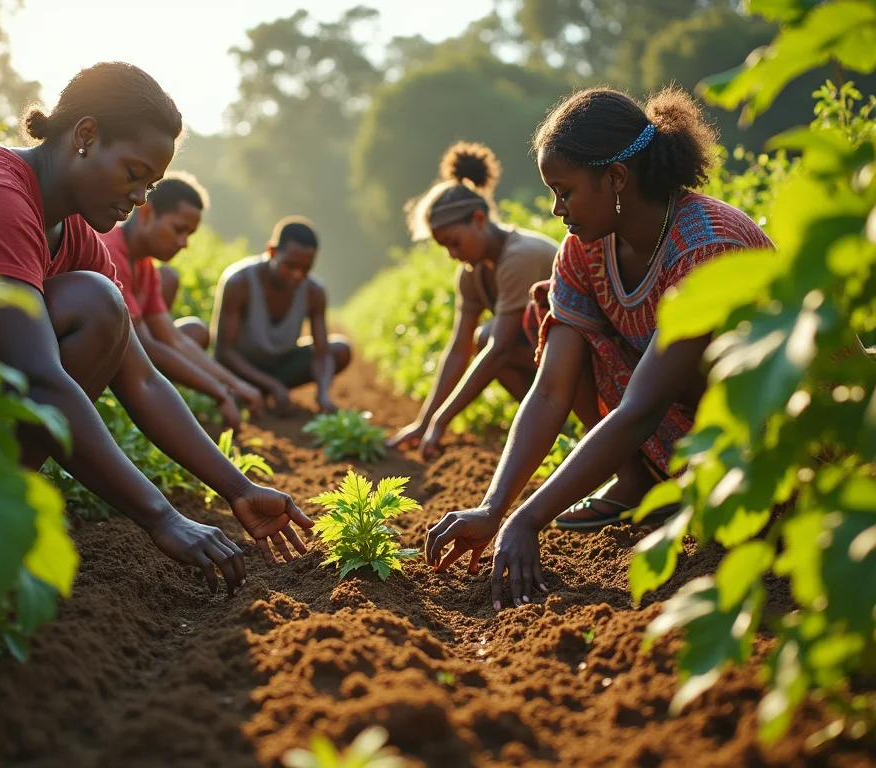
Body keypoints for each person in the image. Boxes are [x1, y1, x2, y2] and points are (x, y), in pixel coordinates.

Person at [0, 62, 312, 596]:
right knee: (94, 302)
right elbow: (39, 377)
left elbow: (142, 379)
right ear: (86, 135)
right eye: (134, 173)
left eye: (151, 184)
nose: (140, 197)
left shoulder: (74, 234)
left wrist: (238, 488)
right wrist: (162, 517)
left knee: (100, 306)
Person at [424, 87, 773, 609]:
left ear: (615, 178)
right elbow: (550, 390)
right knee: (552, 314)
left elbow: (643, 407)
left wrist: (530, 518)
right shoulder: (583, 251)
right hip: (698, 423)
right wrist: (495, 508)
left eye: (564, 192)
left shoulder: (706, 246)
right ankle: (645, 480)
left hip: (782, 435)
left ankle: (744, 495)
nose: (556, 209)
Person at [386, 142, 558, 461]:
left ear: (479, 219)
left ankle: (550, 422)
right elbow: (458, 349)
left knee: (490, 337)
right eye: (445, 248)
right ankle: (553, 426)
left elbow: (500, 348)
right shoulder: (472, 274)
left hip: (586, 354)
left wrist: (442, 421)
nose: (453, 254)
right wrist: (425, 422)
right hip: (548, 356)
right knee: (483, 338)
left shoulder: (519, 256)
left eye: (455, 242)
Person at [99, 173, 264, 430]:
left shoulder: (145, 267)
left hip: (122, 358)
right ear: (147, 213)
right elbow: (147, 346)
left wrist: (235, 384)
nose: (184, 243)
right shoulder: (110, 251)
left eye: (189, 234)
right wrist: (219, 391)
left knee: (194, 332)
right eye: (178, 229)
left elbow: (174, 339)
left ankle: (154, 405)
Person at [212, 217, 351, 415]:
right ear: (271, 251)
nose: (297, 275)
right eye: (290, 266)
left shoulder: (314, 291)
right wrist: (273, 385)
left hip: (281, 367)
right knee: (232, 391)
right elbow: (225, 352)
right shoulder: (239, 283)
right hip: (242, 370)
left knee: (340, 349)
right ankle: (248, 391)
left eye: (306, 269)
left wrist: (323, 393)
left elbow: (322, 352)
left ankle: (262, 391)